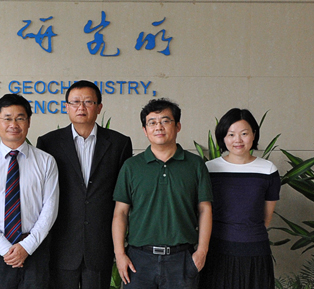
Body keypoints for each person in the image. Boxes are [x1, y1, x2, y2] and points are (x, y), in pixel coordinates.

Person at [35, 80, 132, 289]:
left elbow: (123, 194)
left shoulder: (119, 143)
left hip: (100, 243)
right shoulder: (48, 143)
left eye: (88, 102)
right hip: (61, 244)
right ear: (66, 107)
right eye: (75, 102)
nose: (81, 107)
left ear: (99, 107)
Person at [112, 98, 213, 289]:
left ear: (178, 126)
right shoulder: (132, 166)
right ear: (145, 130)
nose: (159, 126)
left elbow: (205, 210)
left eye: (165, 121)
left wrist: (202, 251)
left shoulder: (195, 164)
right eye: (152, 122)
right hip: (138, 261)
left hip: (182, 259)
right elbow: (120, 213)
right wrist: (119, 254)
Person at [0, 93, 59, 288]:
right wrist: (5, 248)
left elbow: (50, 209)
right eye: (7, 118)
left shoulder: (46, 162)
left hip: (35, 250)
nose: (14, 124)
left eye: (20, 118)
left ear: (28, 122)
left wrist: (26, 247)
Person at [198, 108, 279, 289]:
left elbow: (266, 216)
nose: (238, 140)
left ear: (254, 135)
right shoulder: (209, 169)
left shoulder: (268, 170)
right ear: (223, 137)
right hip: (216, 250)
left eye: (244, 134)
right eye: (231, 134)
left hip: (255, 251)